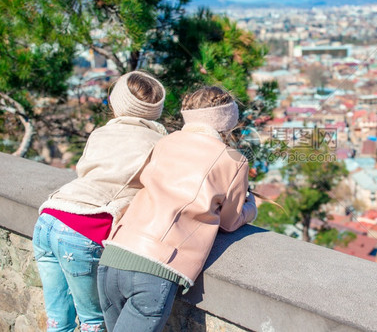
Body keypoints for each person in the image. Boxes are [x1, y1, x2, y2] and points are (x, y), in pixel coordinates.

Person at [97, 86, 257, 332]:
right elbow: (229, 221)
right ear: (228, 119)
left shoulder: (165, 142)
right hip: (156, 267)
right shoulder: (233, 161)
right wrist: (250, 207)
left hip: (114, 255)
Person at [32, 71, 167, 332]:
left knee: (58, 322)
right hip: (84, 231)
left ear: (116, 102)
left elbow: (84, 171)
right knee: (93, 323)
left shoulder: (100, 133)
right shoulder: (159, 144)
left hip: (49, 216)